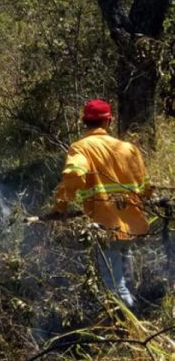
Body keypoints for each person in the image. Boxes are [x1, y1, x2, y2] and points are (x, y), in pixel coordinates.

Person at [30, 99, 151, 309]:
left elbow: (74, 175)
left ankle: (129, 325)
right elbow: (145, 186)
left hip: (107, 227)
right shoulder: (128, 148)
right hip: (133, 225)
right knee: (124, 276)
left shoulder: (81, 148)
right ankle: (135, 317)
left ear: (85, 121)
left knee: (113, 285)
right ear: (109, 121)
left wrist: (61, 206)